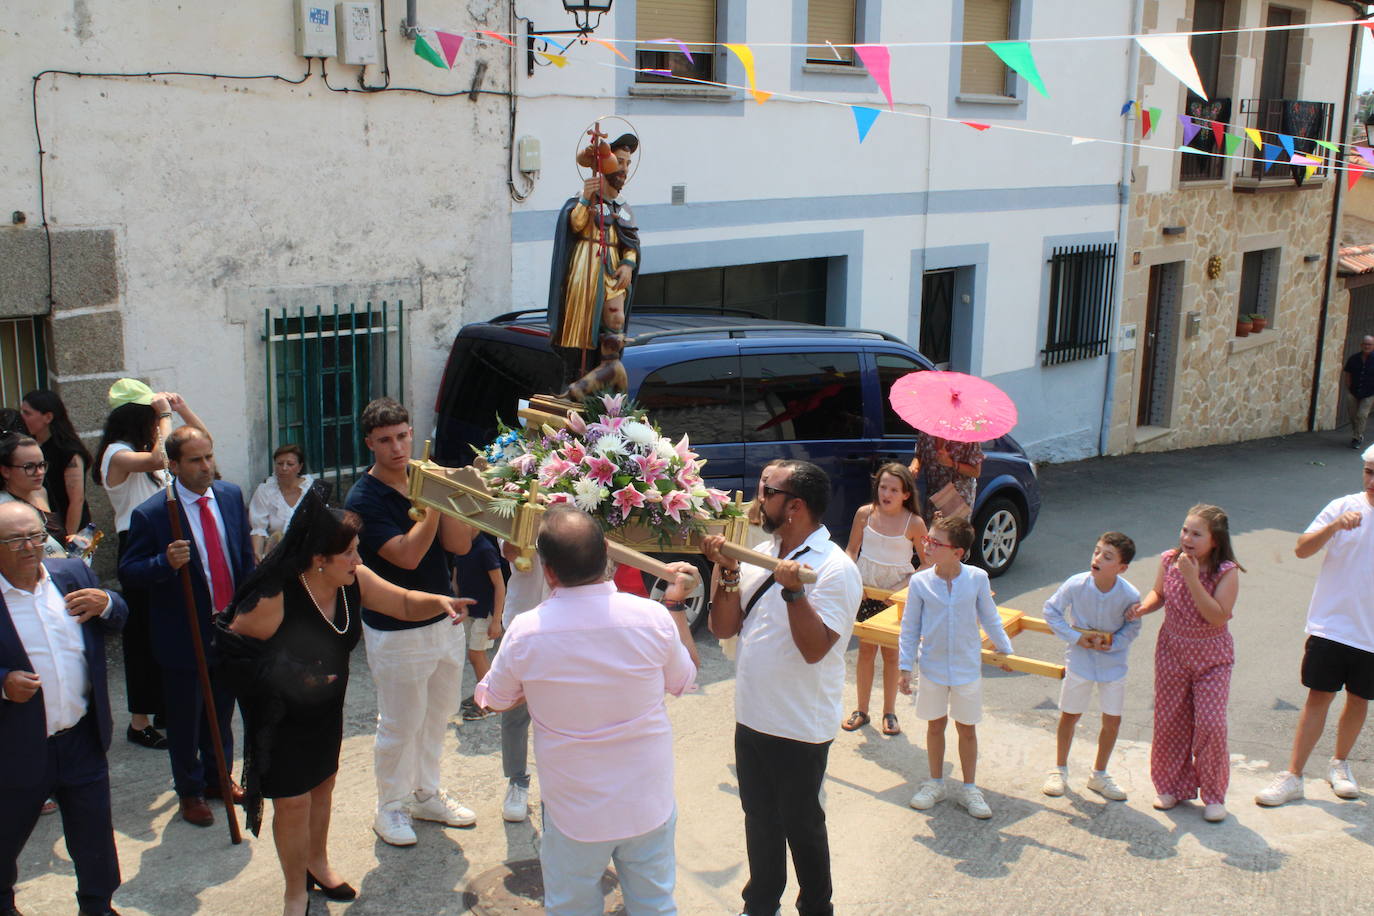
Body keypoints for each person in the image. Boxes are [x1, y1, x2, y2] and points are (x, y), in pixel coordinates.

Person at [217, 489, 471, 916]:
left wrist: (439, 602)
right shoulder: (277, 597)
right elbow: (229, 650)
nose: (358, 560)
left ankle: (318, 862)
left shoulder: (355, 581)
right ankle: (294, 891)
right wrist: (285, 674)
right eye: (350, 553)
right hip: (279, 715)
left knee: (323, 786)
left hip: (324, 709)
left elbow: (403, 601)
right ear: (320, 557)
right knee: (293, 801)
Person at [476, 506, 696, 916]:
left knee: (571, 907)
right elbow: (684, 680)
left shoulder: (527, 631)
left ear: (548, 571)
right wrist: (674, 604)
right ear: (608, 559)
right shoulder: (652, 618)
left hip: (574, 809)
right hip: (646, 801)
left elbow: (496, 699)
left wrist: (528, 685)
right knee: (655, 905)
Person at [703, 459, 862, 916]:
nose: (757, 497)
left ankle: (816, 907)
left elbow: (815, 649)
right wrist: (728, 571)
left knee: (802, 826)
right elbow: (723, 626)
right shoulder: (761, 551)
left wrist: (794, 594)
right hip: (752, 715)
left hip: (799, 725)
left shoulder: (834, 568)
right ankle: (760, 904)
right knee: (759, 819)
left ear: (794, 506)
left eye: (765, 490)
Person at [344, 397, 476, 846]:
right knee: (400, 721)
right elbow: (407, 553)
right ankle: (390, 808)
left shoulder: (425, 480)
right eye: (386, 441)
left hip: (444, 618)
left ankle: (426, 793)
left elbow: (458, 545)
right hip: (395, 628)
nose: (398, 448)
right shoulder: (363, 498)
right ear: (370, 444)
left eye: (402, 436)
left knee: (438, 715)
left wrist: (453, 497)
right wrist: (434, 501)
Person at [119, 425, 254, 828]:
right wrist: (164, 562)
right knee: (185, 718)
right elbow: (129, 572)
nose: (206, 466)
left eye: (209, 456)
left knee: (222, 711)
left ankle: (218, 779)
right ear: (173, 465)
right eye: (195, 460)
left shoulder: (230, 496)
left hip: (228, 627)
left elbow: (242, 556)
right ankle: (190, 791)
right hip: (183, 635)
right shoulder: (154, 513)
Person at [0, 501, 128, 916]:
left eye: (35, 536)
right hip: (16, 745)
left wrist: (107, 602)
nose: (29, 547)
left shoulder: (69, 575)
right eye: (15, 540)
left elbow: (119, 617)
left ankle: (98, 906)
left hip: (80, 738)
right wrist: (2, 684)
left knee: (93, 837)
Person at [1256, 446, 1374, 807]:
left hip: (1371, 634)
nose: (1372, 481)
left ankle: (1340, 765)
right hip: (1331, 625)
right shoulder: (1342, 507)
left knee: (1359, 699)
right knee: (1318, 696)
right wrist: (1335, 526)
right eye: (1368, 472)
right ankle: (1293, 775)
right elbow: (1302, 549)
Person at [93, 380, 204, 751]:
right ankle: (139, 721)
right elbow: (162, 458)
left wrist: (183, 409)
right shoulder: (116, 453)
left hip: (164, 537)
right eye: (151, 415)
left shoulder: (144, 446)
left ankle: (164, 709)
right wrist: (165, 415)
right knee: (141, 635)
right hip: (137, 542)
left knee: (170, 629)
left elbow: (199, 444)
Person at [1126, 504, 1242, 823]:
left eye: (1196, 533)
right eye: (1184, 530)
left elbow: (1218, 615)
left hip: (1212, 657)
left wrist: (1191, 578)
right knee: (1170, 720)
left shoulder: (1226, 571)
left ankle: (1214, 795)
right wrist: (1142, 608)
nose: (1187, 538)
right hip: (1172, 650)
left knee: (1211, 723)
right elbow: (1158, 593)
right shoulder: (1168, 559)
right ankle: (1171, 787)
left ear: (1214, 540)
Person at [897, 515, 1014, 820]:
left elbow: (990, 618)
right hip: (933, 667)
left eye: (935, 542)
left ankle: (970, 788)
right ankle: (935, 783)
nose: (927, 545)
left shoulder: (976, 579)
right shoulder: (921, 582)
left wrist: (1006, 652)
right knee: (935, 725)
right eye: (928, 540)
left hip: (965, 668)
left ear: (957, 552)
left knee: (967, 728)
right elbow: (909, 627)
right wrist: (905, 667)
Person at [1040, 532, 1142, 801]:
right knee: (1070, 714)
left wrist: (1115, 643)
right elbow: (1051, 610)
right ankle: (1059, 769)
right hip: (1080, 661)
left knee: (1112, 719)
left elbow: (1134, 626)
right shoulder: (1076, 584)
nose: (1097, 558)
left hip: (1113, 664)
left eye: (1107, 556)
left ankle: (1099, 774)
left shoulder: (1129, 594)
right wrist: (1075, 638)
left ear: (1121, 567)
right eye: (1097, 551)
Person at [547, 132, 641, 390]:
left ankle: (610, 365)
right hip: (586, 264)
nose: (624, 169)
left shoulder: (621, 207)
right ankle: (575, 377)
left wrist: (628, 263)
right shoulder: (583, 199)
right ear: (605, 165)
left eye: (627, 164)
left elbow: (630, 242)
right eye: (619, 162)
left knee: (616, 318)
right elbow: (576, 224)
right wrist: (586, 199)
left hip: (612, 264)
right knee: (580, 326)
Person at [842, 463, 927, 737]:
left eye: (893, 489)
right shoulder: (864, 514)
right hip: (866, 589)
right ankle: (861, 710)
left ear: (905, 494)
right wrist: (854, 577)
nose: (886, 494)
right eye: (882, 487)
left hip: (896, 597)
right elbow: (852, 550)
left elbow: (927, 564)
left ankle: (889, 712)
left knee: (891, 654)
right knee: (866, 650)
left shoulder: (914, 522)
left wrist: (902, 587)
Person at [495, 539, 548, 823]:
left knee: (564, 710)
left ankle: (560, 785)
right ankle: (517, 781)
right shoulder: (514, 497)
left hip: (570, 617)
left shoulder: (579, 497)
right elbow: (510, 552)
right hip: (523, 617)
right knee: (515, 710)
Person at [21, 389, 92, 537]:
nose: (22, 418)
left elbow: (76, 500)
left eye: (27, 413)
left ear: (47, 417)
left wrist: (67, 537)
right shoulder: (30, 445)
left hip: (69, 528)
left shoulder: (68, 451)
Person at [457, 531, 505, 722]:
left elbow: (500, 585)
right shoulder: (460, 545)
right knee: (476, 654)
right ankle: (483, 691)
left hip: (484, 612)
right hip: (470, 611)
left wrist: (496, 620)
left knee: (476, 654)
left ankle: (489, 702)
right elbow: (457, 574)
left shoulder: (485, 549)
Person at [0, 434, 69, 558]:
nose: (40, 472)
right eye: (29, 467)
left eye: (42, 465)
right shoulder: (3, 507)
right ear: (5, 471)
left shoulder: (41, 492)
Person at [249, 444, 317, 561]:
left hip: (309, 555)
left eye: (290, 464)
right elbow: (258, 529)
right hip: (276, 557)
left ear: (300, 467)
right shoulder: (265, 491)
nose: (284, 468)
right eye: (280, 464)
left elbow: (321, 524)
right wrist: (258, 555)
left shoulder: (312, 490)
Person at [909, 431, 983, 522]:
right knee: (931, 534)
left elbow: (976, 472)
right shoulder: (927, 431)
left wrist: (951, 463)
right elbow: (919, 455)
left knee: (952, 534)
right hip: (933, 493)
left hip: (956, 496)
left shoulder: (968, 434)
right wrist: (915, 466)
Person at [1342, 335, 1374, 449]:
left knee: (1361, 415)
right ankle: (1357, 432)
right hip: (1353, 391)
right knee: (1353, 415)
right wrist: (1348, 386)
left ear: (1373, 346)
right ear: (1361, 345)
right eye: (1365, 344)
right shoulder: (1353, 358)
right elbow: (1348, 373)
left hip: (1369, 393)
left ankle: (1357, 437)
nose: (1367, 346)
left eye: (1369, 344)